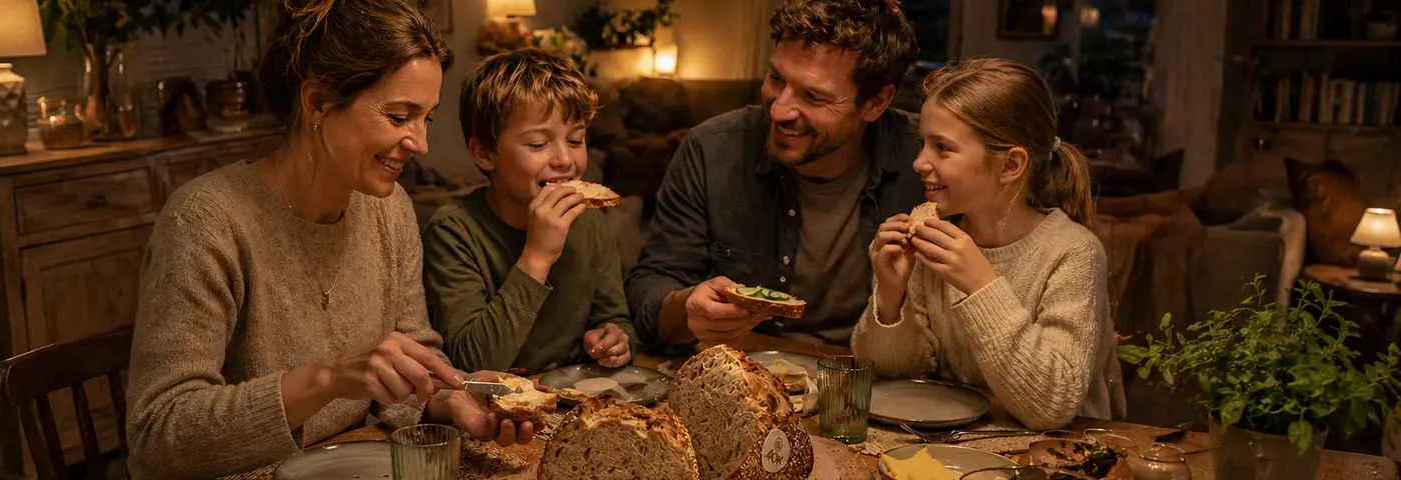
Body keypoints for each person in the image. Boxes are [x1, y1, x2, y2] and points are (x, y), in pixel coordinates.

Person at [125, 2, 541, 478]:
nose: (420, 143)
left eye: (425, 118)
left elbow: (413, 353)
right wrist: (326, 379)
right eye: (400, 115)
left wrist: (449, 397)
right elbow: (157, 437)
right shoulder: (206, 221)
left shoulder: (389, 208)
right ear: (318, 102)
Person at [626, 0, 925, 348]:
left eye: (813, 96)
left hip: (871, 375)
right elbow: (649, 292)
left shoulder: (924, 162)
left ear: (875, 103)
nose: (780, 109)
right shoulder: (712, 149)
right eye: (776, 78)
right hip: (742, 372)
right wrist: (688, 307)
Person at [852, 58, 1125, 430]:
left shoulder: (1073, 253)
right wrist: (890, 296)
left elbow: (1051, 408)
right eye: (922, 144)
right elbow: (890, 377)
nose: (918, 162)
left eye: (942, 148)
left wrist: (980, 286)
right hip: (958, 442)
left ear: (1011, 165)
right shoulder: (933, 241)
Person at [423, 48, 637, 373]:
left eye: (576, 140)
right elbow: (471, 362)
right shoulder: (453, 231)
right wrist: (536, 257)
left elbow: (615, 317)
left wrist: (616, 339)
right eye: (538, 144)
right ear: (484, 154)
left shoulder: (591, 221)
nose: (565, 159)